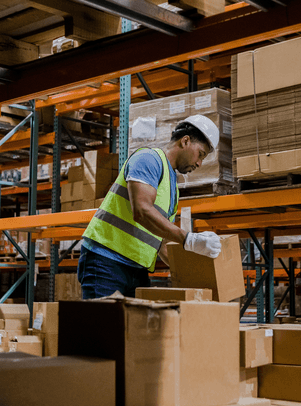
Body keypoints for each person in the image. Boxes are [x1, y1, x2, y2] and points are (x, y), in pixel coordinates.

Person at [78, 115, 222, 299]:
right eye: (200, 154)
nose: (199, 163)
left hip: (136, 270)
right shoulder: (148, 159)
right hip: (106, 261)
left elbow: (161, 242)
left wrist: (194, 275)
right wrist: (189, 239)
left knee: (135, 325)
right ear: (185, 141)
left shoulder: (172, 189)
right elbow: (142, 211)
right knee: (103, 327)